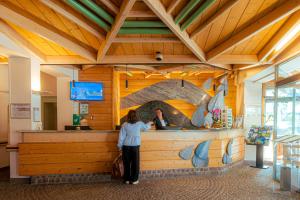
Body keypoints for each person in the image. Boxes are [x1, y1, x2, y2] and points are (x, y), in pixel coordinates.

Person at [117, 110, 152, 185]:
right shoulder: (139, 123)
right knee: (135, 164)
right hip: (135, 147)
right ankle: (134, 180)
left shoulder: (124, 124)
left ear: (128, 116)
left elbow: (121, 136)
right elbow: (146, 128)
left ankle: (126, 179)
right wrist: (150, 123)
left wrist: (119, 146)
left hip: (126, 146)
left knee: (126, 163)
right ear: (136, 116)